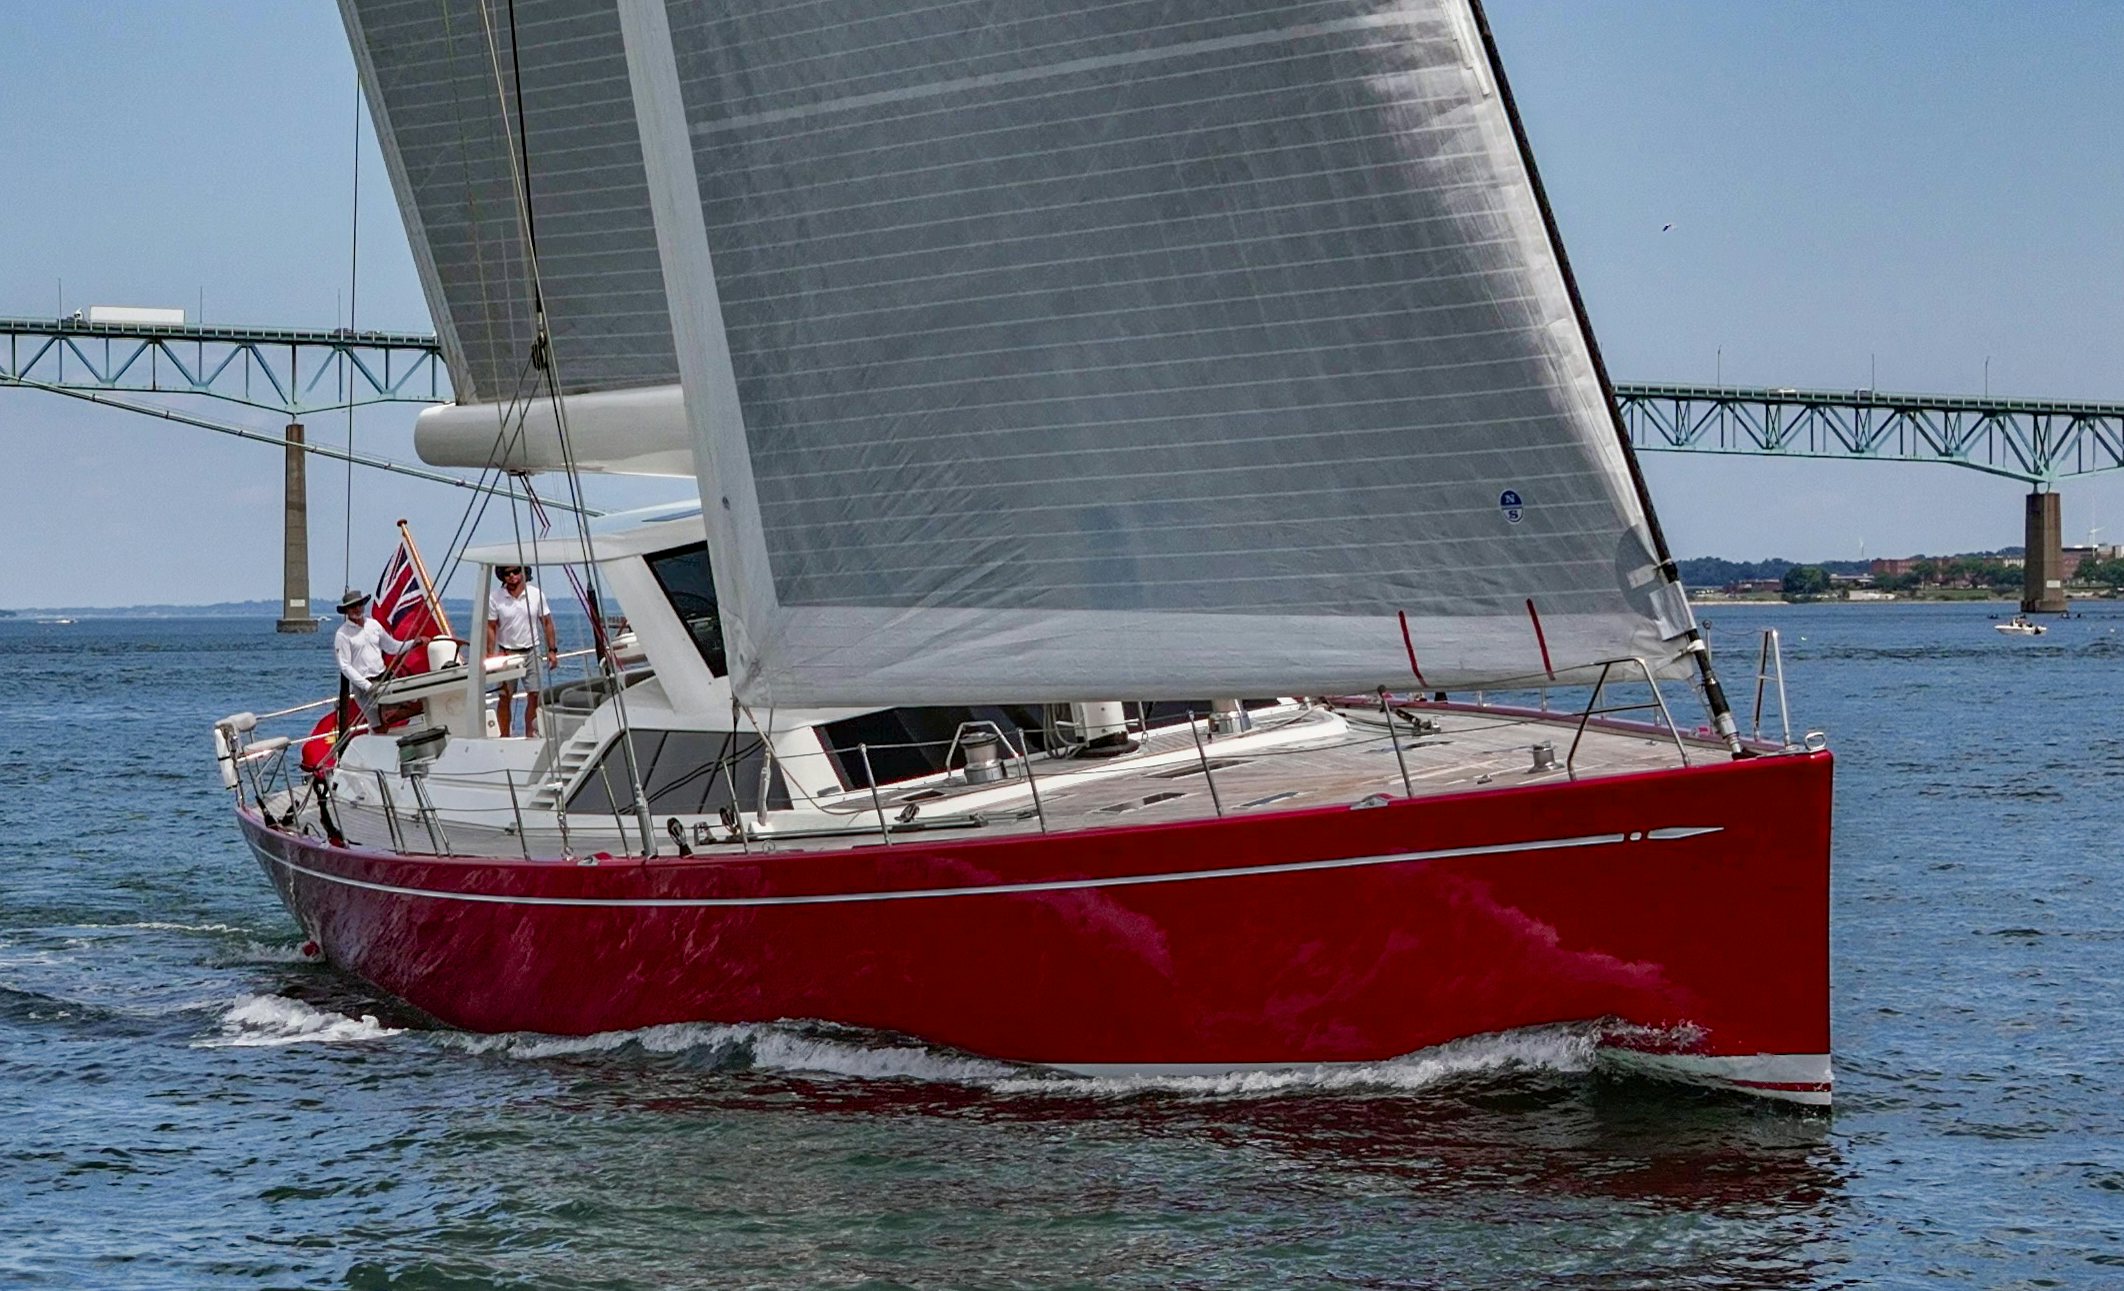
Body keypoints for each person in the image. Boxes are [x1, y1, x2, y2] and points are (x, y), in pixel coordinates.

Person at [332, 588, 425, 735]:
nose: (356, 609)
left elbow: (392, 647)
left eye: (359, 605)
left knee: (416, 705)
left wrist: (414, 643)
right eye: (352, 607)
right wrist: (367, 685)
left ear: (363, 605)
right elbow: (345, 666)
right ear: (346, 611)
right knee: (378, 725)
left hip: (384, 679)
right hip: (365, 687)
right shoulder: (342, 634)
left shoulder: (374, 625)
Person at [487, 564, 559, 737]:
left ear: (523, 572)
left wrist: (552, 650)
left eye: (516, 571)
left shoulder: (536, 594)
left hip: (531, 651)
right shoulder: (495, 598)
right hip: (507, 653)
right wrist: (490, 654)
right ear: (502, 576)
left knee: (534, 696)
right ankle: (504, 736)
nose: (512, 576)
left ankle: (530, 735)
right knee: (505, 697)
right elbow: (491, 627)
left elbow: (547, 622)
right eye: (507, 573)